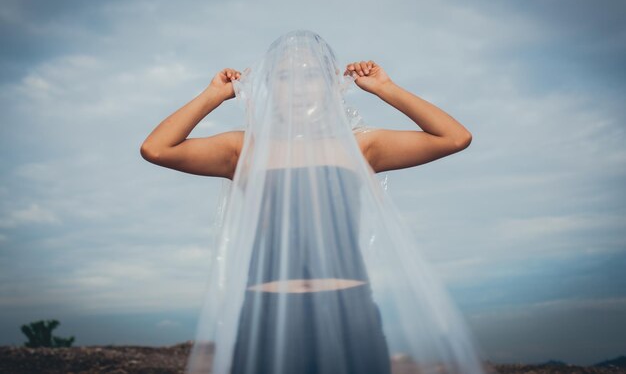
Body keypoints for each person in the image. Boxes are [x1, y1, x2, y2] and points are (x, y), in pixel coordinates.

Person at [140, 30, 476, 374]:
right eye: (286, 76)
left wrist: (385, 88)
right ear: (268, 84)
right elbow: (157, 148)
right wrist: (214, 94)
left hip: (350, 312)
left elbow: (455, 137)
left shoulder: (359, 146)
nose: (299, 87)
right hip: (268, 314)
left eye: (311, 74)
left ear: (333, 82)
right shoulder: (243, 149)